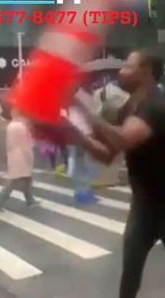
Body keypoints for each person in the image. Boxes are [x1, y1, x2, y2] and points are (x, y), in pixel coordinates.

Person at [70, 50, 164, 298]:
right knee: (130, 269)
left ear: (145, 73)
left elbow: (121, 140)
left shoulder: (156, 104)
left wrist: (80, 105)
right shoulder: (129, 108)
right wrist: (74, 134)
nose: (121, 71)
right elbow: (108, 154)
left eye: (128, 67)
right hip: (144, 203)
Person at [0, 107, 38, 210]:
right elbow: (26, 145)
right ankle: (0, 201)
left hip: (13, 154)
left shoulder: (11, 125)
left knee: (26, 178)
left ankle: (30, 199)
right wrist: (29, 157)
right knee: (15, 180)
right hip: (22, 156)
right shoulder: (22, 126)